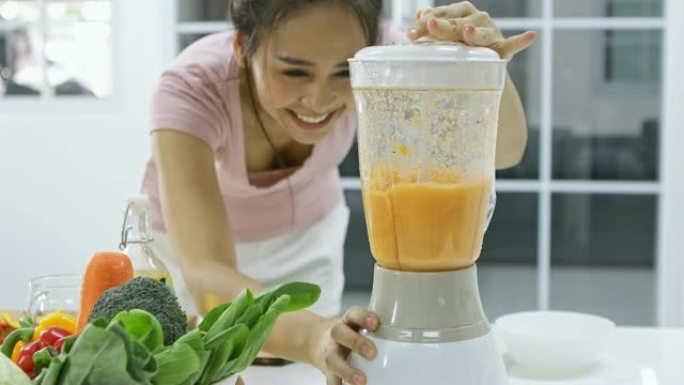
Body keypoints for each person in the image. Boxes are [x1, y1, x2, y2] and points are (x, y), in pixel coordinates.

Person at [140, 1, 536, 384]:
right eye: (294, 72)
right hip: (194, 256)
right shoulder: (190, 88)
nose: (319, 100)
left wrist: (485, 65)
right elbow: (207, 271)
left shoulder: (379, 56)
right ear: (243, 48)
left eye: (343, 73)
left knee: (303, 374)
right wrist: (313, 336)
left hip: (305, 239)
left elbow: (505, 151)